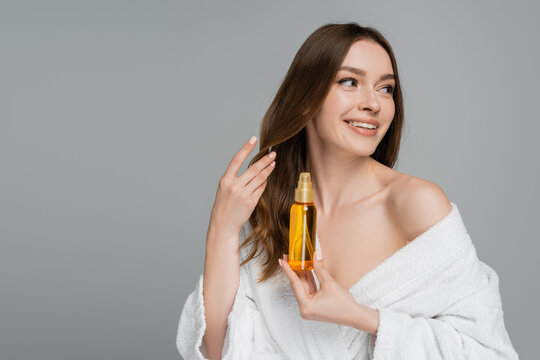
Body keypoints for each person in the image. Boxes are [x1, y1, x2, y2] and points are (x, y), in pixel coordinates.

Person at [176, 22, 518, 359]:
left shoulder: (417, 204)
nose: (373, 103)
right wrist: (222, 229)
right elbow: (220, 350)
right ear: (306, 99)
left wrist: (358, 316)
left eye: (386, 89)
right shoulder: (276, 212)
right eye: (350, 82)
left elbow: (489, 351)